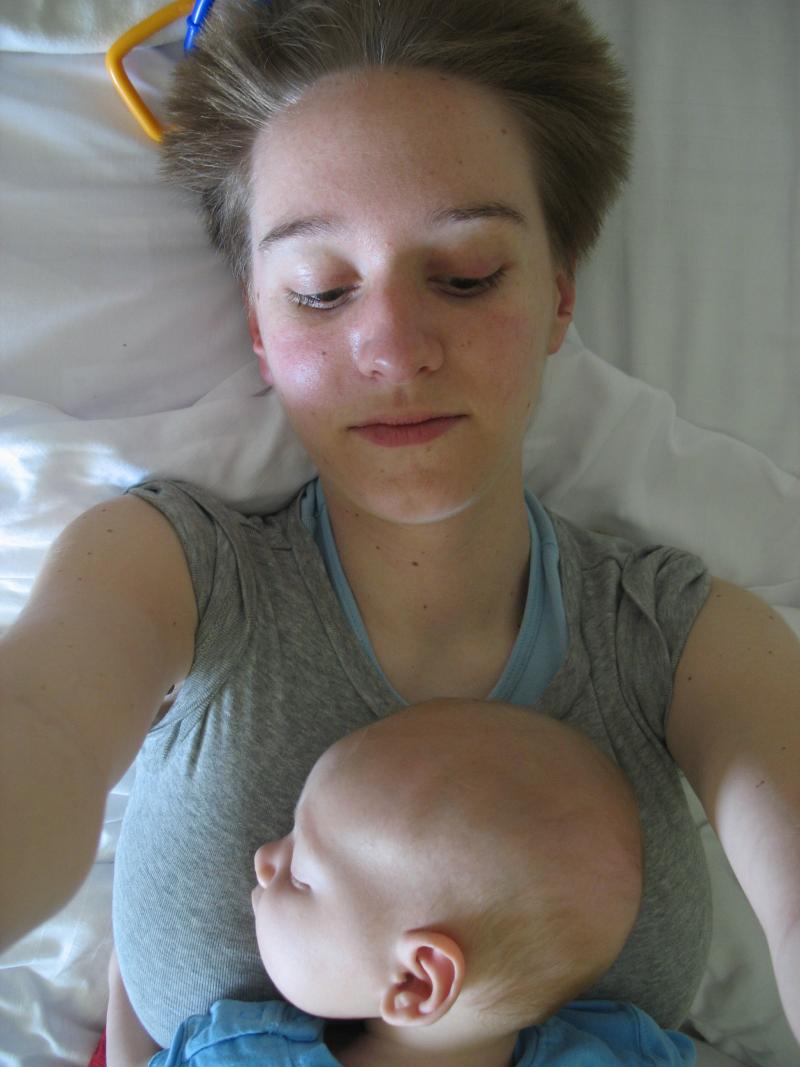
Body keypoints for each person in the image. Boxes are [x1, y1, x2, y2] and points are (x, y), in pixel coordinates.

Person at [1, 0, 798, 1051]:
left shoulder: (689, 640)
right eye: (320, 291)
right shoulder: (163, 569)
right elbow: (38, 726)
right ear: (257, 327)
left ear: (559, 297)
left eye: (466, 275)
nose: (393, 347)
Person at [106, 699, 695, 1067]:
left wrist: (123, 982)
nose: (264, 858)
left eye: (303, 874)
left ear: (417, 980)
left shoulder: (242, 1058)